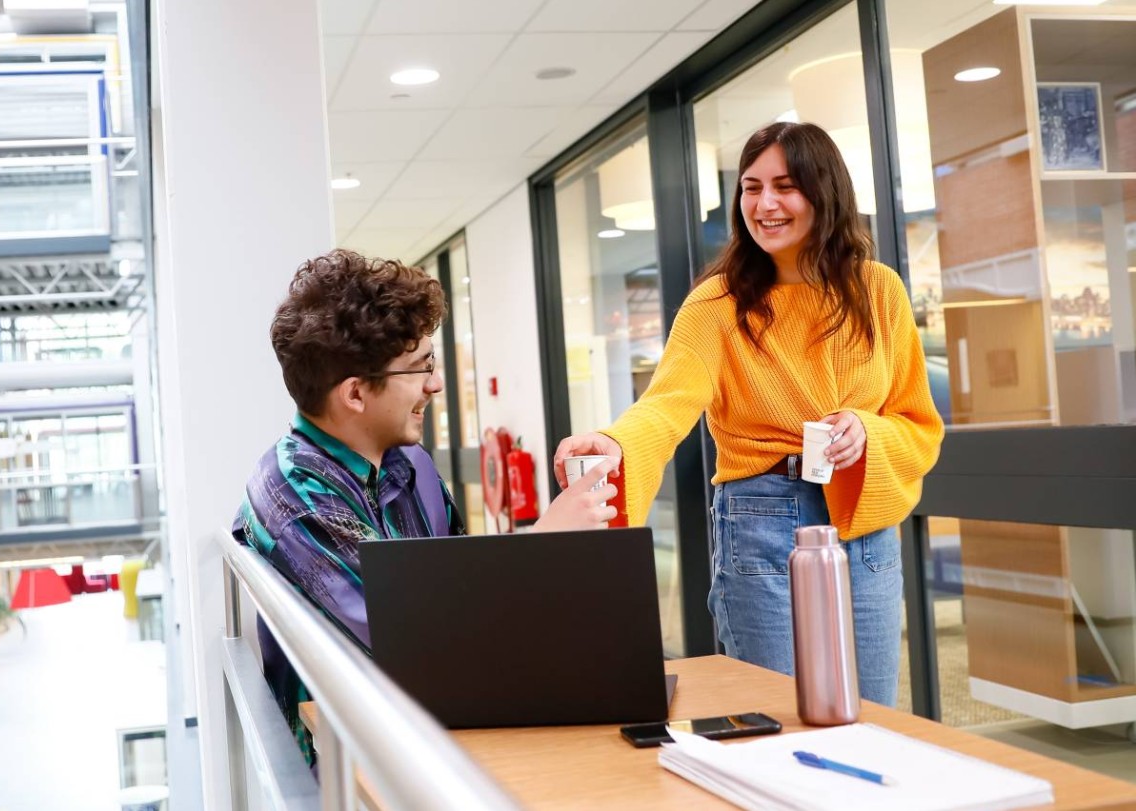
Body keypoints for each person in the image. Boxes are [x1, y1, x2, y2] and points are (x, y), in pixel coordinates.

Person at [551, 121, 945, 705]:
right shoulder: (717, 301)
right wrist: (617, 442)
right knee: (776, 710)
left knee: (872, 711)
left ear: (824, 190)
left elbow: (917, 421)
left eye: (785, 186)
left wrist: (869, 430)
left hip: (862, 519)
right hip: (762, 515)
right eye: (751, 187)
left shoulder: (879, 291)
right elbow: (667, 403)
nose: (764, 204)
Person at [233, 249, 619, 756]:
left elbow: (460, 585)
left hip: (433, 727)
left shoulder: (406, 463)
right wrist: (543, 546)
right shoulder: (294, 499)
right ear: (355, 394)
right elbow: (415, 646)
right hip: (361, 764)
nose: (435, 383)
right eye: (419, 368)